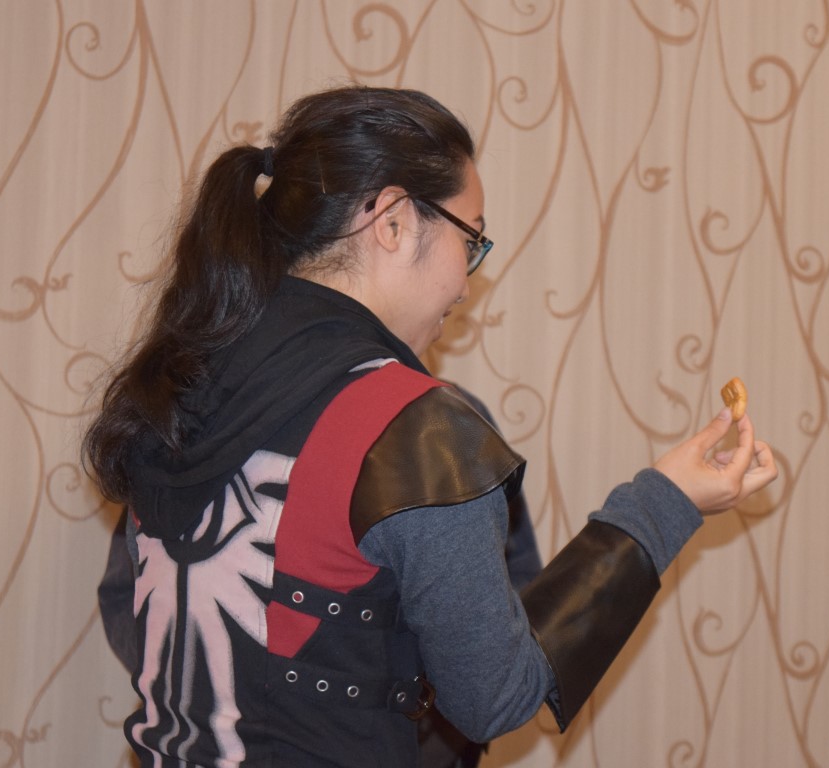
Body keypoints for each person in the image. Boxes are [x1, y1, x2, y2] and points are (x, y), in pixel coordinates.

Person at [82, 85, 777, 768]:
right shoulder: (413, 430)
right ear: (392, 222)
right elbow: (496, 700)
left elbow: (137, 615)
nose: (467, 283)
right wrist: (663, 503)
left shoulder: (177, 388)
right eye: (470, 240)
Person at [97, 384, 543, 768]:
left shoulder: (444, 424)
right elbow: (129, 592)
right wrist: (209, 688)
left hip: (430, 745)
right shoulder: (198, 416)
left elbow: (515, 580)